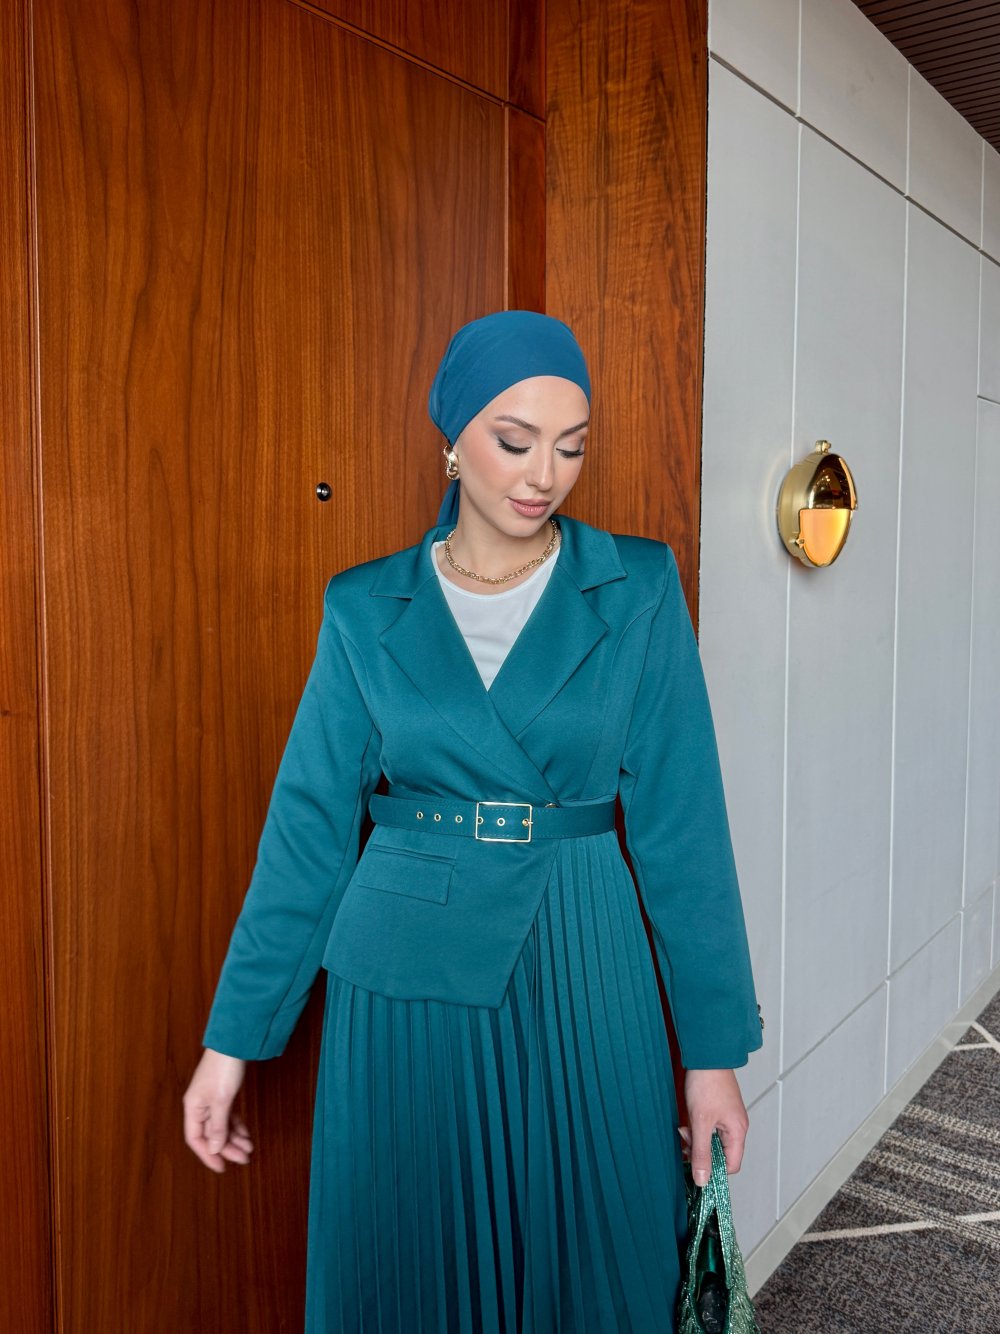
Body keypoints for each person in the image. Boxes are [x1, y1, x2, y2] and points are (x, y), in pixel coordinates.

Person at [183, 309, 763, 1332]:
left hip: (585, 954)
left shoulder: (636, 586)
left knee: (603, 1256)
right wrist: (231, 1043)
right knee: (413, 1269)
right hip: (404, 982)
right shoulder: (364, 606)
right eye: (514, 439)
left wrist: (710, 1056)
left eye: (571, 445)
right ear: (453, 438)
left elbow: (684, 829)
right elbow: (307, 836)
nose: (544, 474)